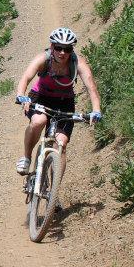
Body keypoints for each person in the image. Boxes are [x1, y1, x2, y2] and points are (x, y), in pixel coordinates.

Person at [13, 27, 102, 174]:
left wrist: (96, 110)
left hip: (64, 102)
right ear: (52, 46)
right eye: (59, 48)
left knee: (61, 143)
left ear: (71, 50)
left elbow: (91, 87)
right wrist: (22, 95)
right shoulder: (43, 58)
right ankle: (26, 157)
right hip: (40, 97)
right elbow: (26, 77)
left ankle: (53, 192)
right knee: (38, 122)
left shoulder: (77, 63)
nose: (62, 52)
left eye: (67, 49)